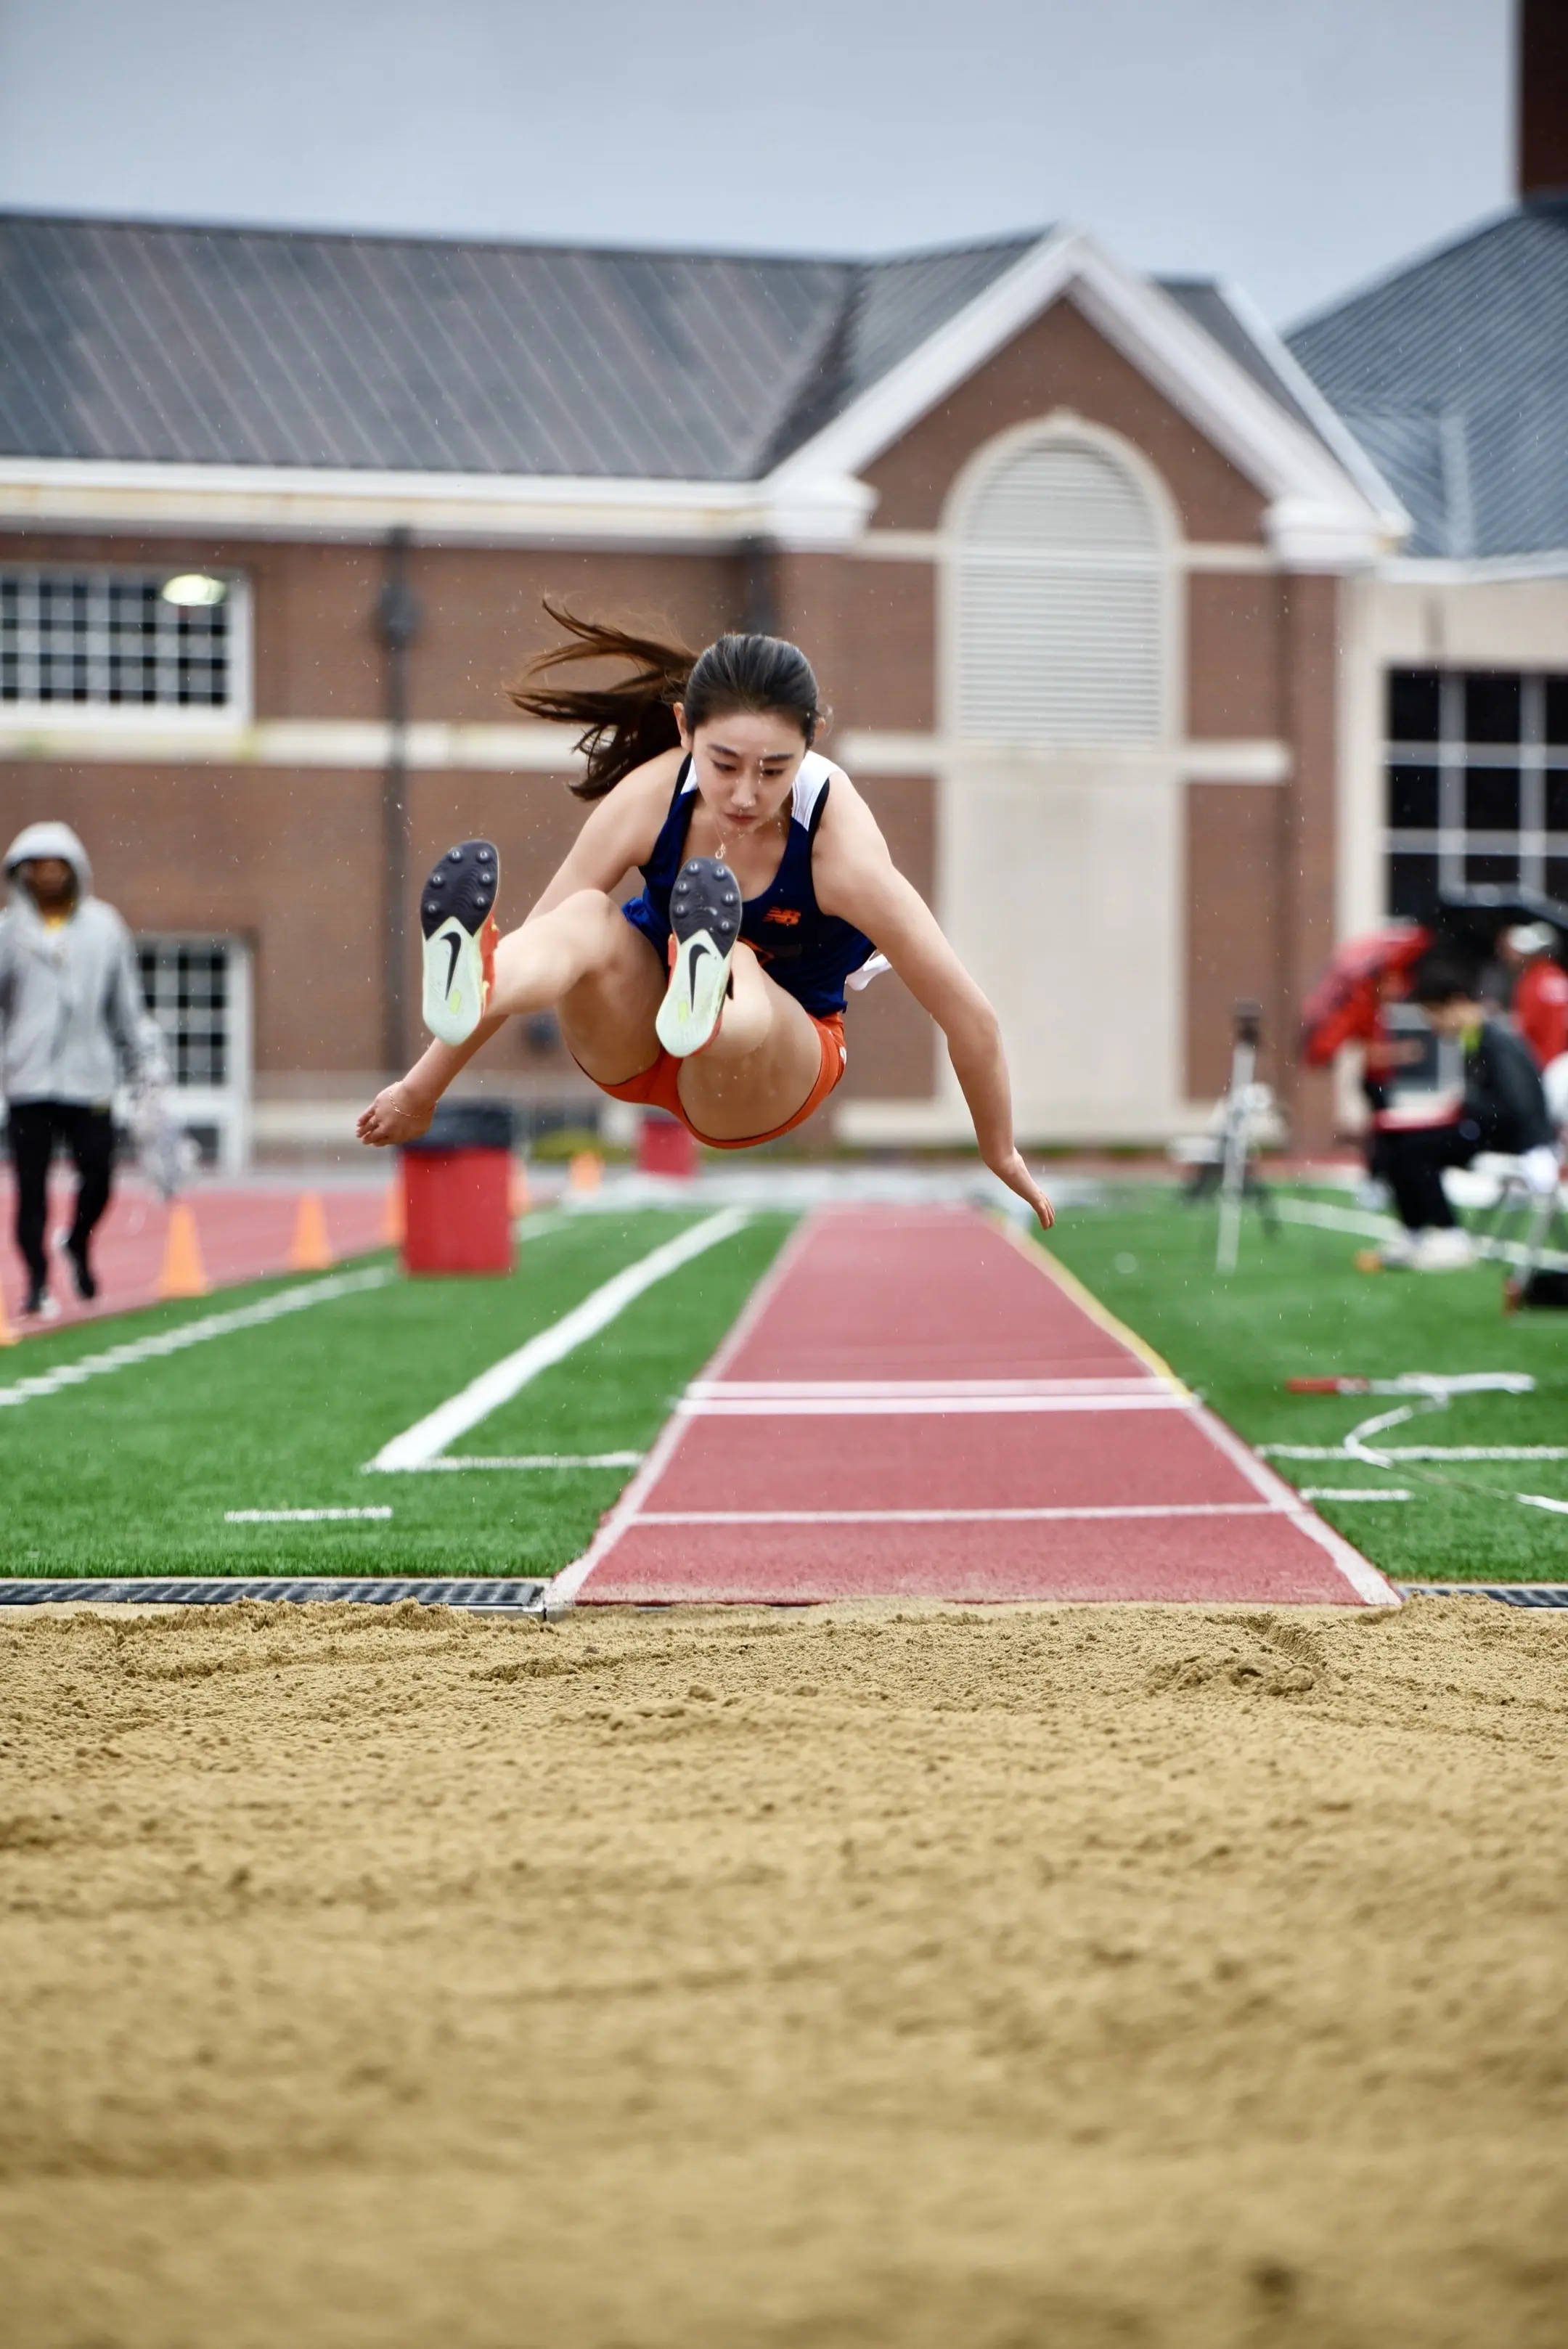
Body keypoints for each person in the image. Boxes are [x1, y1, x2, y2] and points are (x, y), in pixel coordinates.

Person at [358, 616, 1054, 1231]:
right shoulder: (650, 799)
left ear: (812, 746)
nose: (746, 794)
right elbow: (547, 943)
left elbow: (969, 1017)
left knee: (744, 963)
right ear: (685, 727)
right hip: (635, 1037)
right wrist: (422, 1090)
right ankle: (476, 979)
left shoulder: (841, 852)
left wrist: (1000, 1150)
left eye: (774, 770)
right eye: (723, 764)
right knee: (584, 919)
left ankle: (713, 995)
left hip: (764, 1073)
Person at [0, 822, 167, 1319]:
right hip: (28, 1082)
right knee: (30, 1187)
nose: (48, 876)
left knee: (98, 1175)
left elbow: (126, 1008)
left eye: (58, 866)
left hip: (89, 1080)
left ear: (74, 871)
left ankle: (77, 1241)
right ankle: (35, 1280)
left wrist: (146, 1065)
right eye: (38, 868)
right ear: (23, 874)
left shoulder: (105, 929)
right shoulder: (9, 933)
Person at [1370, 955, 1559, 1270]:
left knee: (1416, 1149)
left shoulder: (1496, 1041)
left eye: (1433, 1015)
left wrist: (1460, 1110)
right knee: (1394, 1141)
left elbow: (1514, 1109)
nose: (1433, 1026)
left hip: (1515, 1141)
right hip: (1491, 1130)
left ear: (1455, 1003)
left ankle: (1451, 1237)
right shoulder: (1475, 1038)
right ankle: (1414, 1232)